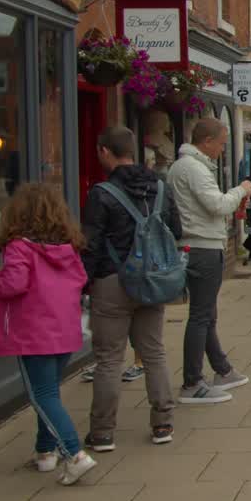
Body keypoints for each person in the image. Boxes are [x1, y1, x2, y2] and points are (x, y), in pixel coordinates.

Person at [79, 127, 181, 452]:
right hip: (153, 279)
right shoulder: (159, 187)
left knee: (109, 360)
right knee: (154, 352)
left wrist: (83, 285)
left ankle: (103, 433)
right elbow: (176, 230)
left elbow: (90, 246)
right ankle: (163, 423)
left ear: (105, 152)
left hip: (112, 281)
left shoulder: (101, 193)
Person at [0, 183, 97, 484]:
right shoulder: (68, 246)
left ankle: (74, 455)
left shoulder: (19, 247)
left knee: (42, 395)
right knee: (49, 391)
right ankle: (45, 452)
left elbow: (13, 284)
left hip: (33, 331)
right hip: (64, 329)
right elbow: (81, 279)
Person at [169, 119, 251, 404]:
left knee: (206, 314)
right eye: (221, 143)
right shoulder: (193, 168)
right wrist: (241, 190)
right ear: (206, 141)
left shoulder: (186, 167)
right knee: (201, 316)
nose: (222, 148)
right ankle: (192, 382)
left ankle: (222, 369)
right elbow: (218, 205)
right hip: (202, 247)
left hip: (198, 245)